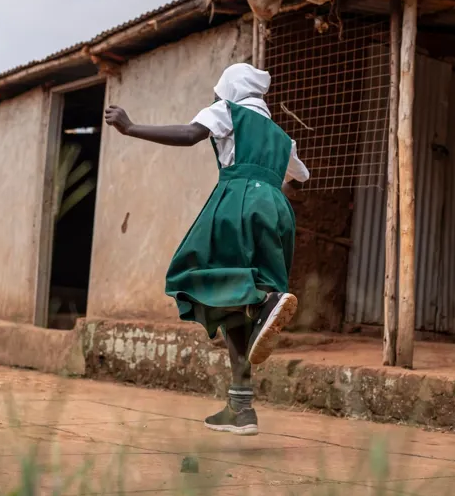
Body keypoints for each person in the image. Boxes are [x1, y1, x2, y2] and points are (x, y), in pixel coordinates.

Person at [104, 63, 309, 436]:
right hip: (278, 211)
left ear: (229, 89)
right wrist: (268, 190)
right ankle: (241, 407)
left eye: (218, 92)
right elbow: (301, 177)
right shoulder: (282, 136)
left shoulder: (228, 111)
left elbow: (189, 133)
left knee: (193, 272)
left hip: (237, 203)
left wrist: (130, 127)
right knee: (235, 312)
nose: (215, 98)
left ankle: (262, 301)